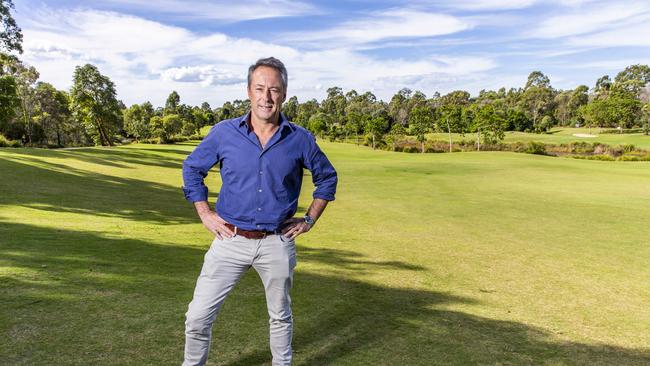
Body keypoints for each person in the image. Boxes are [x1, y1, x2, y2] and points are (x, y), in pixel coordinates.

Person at [181, 57, 338, 366]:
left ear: (285, 94)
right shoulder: (225, 133)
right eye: (260, 88)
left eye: (274, 90)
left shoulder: (300, 139)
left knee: (280, 316)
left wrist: (309, 219)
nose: (266, 97)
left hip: (276, 243)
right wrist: (205, 213)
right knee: (197, 316)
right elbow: (192, 169)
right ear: (248, 91)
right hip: (230, 240)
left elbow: (327, 177)